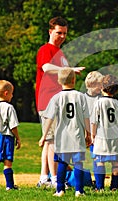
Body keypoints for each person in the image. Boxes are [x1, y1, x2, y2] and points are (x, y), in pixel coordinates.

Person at [35, 16, 84, 188]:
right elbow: (46, 68)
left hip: (58, 101)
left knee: (51, 141)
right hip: (48, 100)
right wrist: (69, 69)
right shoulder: (46, 50)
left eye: (64, 33)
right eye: (58, 32)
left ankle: (44, 178)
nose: (62, 36)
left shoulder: (60, 53)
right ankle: (55, 179)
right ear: (50, 31)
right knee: (52, 141)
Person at [39, 68, 90, 197]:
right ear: (74, 79)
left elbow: (49, 118)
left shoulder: (56, 98)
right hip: (77, 135)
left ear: (58, 81)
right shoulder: (81, 96)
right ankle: (79, 191)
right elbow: (86, 117)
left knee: (62, 163)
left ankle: (60, 190)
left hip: (61, 137)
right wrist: (88, 134)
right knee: (78, 163)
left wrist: (44, 136)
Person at [91, 74, 118, 191]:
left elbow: (94, 122)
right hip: (115, 137)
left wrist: (93, 135)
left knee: (100, 161)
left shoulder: (98, 102)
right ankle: (114, 187)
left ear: (102, 87)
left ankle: (99, 187)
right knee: (115, 163)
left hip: (101, 136)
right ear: (116, 89)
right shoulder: (117, 104)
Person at [0, 80, 21, 191]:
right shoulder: (9, 107)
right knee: (7, 161)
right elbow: (13, 126)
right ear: (6, 93)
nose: (12, 95)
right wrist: (18, 138)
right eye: (11, 93)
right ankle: (9, 186)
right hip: (6, 137)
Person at [83, 71, 104, 187]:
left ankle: (99, 184)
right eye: (99, 85)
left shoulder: (101, 99)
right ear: (91, 85)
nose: (101, 87)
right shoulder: (82, 98)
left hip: (98, 133)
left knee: (97, 158)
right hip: (85, 133)